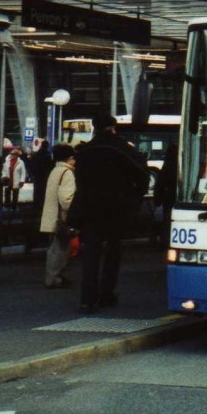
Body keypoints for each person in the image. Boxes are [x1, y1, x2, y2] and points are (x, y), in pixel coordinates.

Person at [72, 113, 149, 313]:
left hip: (89, 209)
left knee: (91, 253)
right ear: (114, 127)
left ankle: (87, 299)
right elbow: (142, 177)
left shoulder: (85, 151)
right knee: (113, 251)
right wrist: (134, 199)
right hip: (116, 208)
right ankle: (106, 293)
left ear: (94, 127)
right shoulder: (123, 150)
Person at [39, 143, 77, 289]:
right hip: (61, 217)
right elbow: (66, 199)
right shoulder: (67, 173)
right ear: (70, 158)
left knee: (55, 247)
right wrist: (72, 213)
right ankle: (54, 277)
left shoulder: (55, 170)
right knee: (60, 248)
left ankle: (55, 276)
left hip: (52, 214)